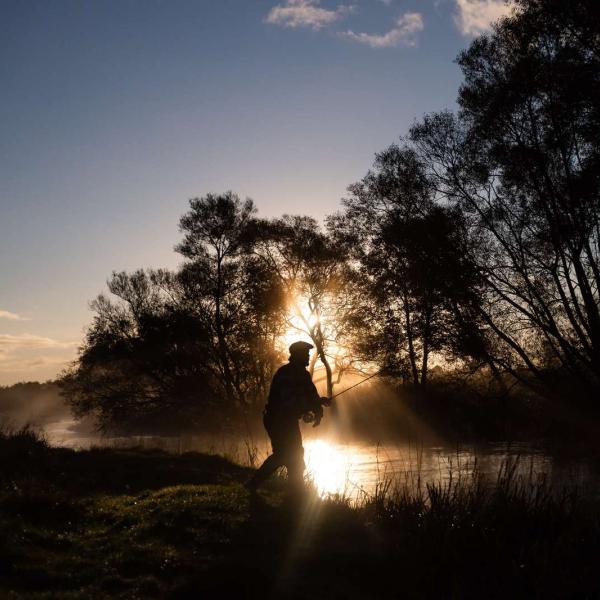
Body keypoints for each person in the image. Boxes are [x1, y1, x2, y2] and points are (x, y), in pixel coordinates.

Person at [245, 341, 331, 491]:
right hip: (276, 419)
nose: (308, 356)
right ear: (297, 355)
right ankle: (253, 484)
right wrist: (314, 404)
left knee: (296, 454)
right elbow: (290, 402)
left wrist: (319, 408)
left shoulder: (303, 374)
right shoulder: (285, 374)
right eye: (306, 354)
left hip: (288, 421)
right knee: (282, 454)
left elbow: (311, 395)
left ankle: (295, 490)